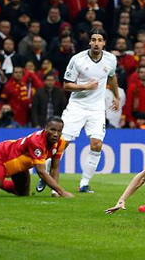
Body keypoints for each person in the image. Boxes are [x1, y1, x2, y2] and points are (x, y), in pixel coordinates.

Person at [38, 29, 119, 194]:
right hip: (77, 106)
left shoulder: (111, 59)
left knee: (97, 144)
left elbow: (111, 77)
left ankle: (84, 184)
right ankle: (44, 173)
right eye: (93, 40)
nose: (96, 43)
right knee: (61, 144)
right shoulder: (77, 60)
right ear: (89, 42)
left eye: (99, 40)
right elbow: (66, 84)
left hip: (97, 108)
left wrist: (116, 96)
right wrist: (85, 86)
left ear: (104, 43)